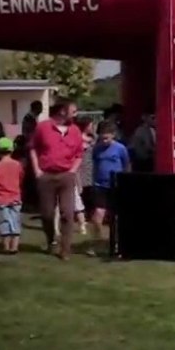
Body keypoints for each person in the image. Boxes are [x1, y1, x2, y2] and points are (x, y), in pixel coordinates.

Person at [29, 100, 84, 259]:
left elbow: (79, 154)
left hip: (66, 175)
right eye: (72, 111)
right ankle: (51, 239)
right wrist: (37, 170)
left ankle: (65, 248)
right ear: (62, 111)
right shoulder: (43, 127)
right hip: (46, 175)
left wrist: (73, 170)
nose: (75, 114)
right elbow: (33, 147)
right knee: (47, 213)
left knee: (67, 212)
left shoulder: (75, 131)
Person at [89, 121, 130, 257]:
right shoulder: (97, 149)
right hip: (100, 186)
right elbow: (95, 164)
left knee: (117, 217)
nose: (104, 141)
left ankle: (118, 243)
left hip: (116, 185)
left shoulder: (120, 149)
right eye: (102, 138)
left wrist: (125, 181)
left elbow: (126, 165)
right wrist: (94, 181)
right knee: (97, 217)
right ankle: (97, 242)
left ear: (113, 135)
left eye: (107, 138)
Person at [0, 137, 24, 255]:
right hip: (15, 197)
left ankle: (6, 247)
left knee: (4, 223)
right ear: (12, 150)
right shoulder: (17, 165)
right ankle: (15, 246)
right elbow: (21, 178)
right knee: (15, 222)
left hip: (1, 199)